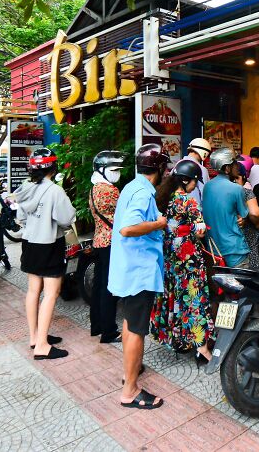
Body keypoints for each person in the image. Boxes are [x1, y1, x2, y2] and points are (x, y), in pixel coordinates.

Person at [109, 144, 170, 410]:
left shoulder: (132, 186)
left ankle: (130, 372)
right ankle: (130, 391)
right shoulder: (144, 194)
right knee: (136, 330)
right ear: (160, 168)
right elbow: (127, 228)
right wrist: (159, 224)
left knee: (129, 322)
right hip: (139, 270)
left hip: (128, 268)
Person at [14, 148, 76, 360]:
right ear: (53, 167)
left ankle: (34, 337)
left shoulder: (25, 188)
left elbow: (21, 217)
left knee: (33, 291)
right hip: (49, 243)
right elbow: (66, 219)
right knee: (51, 293)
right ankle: (42, 345)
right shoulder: (55, 191)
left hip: (29, 242)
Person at [150, 160, 214, 363]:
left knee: (174, 296)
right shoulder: (188, 201)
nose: (195, 185)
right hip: (188, 259)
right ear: (186, 180)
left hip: (169, 257)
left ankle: (177, 338)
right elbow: (200, 231)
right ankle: (201, 347)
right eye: (195, 181)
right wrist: (193, 229)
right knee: (194, 298)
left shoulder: (162, 198)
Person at [88, 150, 125, 342]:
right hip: (111, 242)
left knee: (99, 285)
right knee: (110, 287)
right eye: (113, 169)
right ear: (102, 170)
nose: (117, 173)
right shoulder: (110, 190)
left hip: (99, 241)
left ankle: (97, 325)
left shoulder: (94, 188)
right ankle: (109, 331)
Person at [201, 148, 250, 268]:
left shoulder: (207, 186)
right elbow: (244, 215)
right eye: (235, 163)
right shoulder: (237, 189)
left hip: (214, 251)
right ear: (227, 168)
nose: (237, 166)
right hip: (235, 250)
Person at [233, 160, 259, 266]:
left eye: (236, 178)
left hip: (231, 241)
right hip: (248, 238)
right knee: (251, 269)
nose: (234, 181)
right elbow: (254, 213)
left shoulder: (222, 193)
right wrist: (258, 223)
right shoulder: (246, 192)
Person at [184, 137, 212, 204]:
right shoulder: (201, 169)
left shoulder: (177, 165)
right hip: (194, 208)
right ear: (204, 152)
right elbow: (205, 195)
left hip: (176, 207)